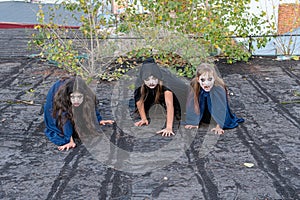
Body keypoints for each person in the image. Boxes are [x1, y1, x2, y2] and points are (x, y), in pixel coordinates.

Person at [43, 76, 114, 151]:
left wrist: (98, 119)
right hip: (57, 103)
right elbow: (63, 117)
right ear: (69, 96)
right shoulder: (62, 98)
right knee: (58, 130)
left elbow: (91, 106)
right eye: (73, 97)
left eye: (79, 97)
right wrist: (69, 140)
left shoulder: (87, 95)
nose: (76, 101)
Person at [184, 63, 244, 134]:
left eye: (210, 79)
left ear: (214, 78)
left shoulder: (218, 90)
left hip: (215, 117)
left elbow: (222, 108)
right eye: (203, 80)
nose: (206, 83)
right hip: (204, 116)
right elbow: (192, 104)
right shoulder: (195, 86)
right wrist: (194, 121)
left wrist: (219, 125)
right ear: (198, 79)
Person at [133, 58, 187, 137]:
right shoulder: (139, 81)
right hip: (154, 91)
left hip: (181, 95)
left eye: (154, 79)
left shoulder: (166, 82)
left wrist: (168, 127)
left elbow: (169, 104)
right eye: (147, 79)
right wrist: (143, 118)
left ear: (158, 78)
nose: (151, 82)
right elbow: (139, 100)